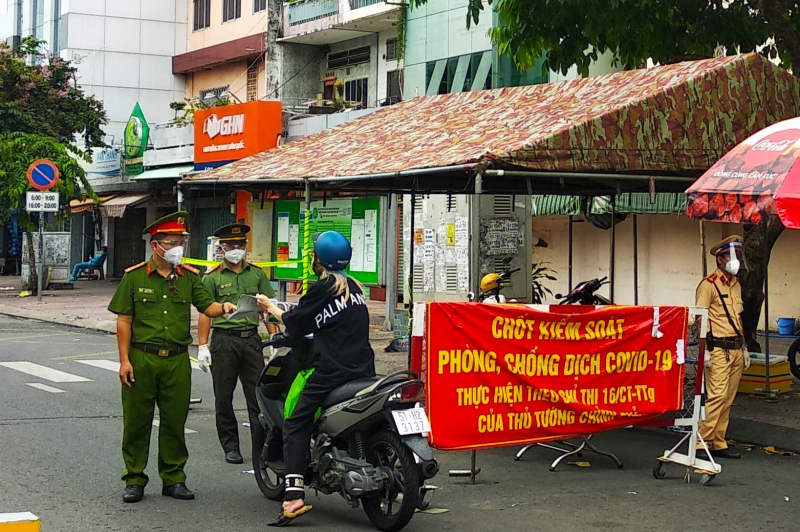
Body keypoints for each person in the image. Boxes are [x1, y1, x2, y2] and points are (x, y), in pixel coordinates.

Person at [107, 212, 237, 504]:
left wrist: (225, 307)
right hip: (142, 359)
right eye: (173, 242)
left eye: (181, 242)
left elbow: (208, 305)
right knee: (137, 422)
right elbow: (124, 321)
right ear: (156, 246)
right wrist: (124, 360)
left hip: (177, 361)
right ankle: (135, 478)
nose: (179, 247)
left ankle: (174, 478)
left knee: (174, 422)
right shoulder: (135, 277)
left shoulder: (189, 277)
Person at [256, 231, 375, 526]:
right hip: (363, 369)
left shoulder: (323, 287)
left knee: (296, 421)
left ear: (319, 259)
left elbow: (296, 323)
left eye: (313, 256)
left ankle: (293, 495)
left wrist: (271, 308)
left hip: (332, 372)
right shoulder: (355, 289)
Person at [196, 223, 275, 465]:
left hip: (251, 340)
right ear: (221, 248)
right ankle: (230, 446)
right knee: (223, 396)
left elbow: (267, 307)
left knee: (258, 397)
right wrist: (202, 346)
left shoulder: (257, 274)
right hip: (224, 341)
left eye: (240, 245)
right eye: (231, 246)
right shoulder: (212, 277)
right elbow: (204, 312)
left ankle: (261, 447)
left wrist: (274, 339)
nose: (236, 250)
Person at [695, 235, 751, 461]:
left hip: (736, 349)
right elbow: (700, 317)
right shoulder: (708, 285)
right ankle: (701, 443)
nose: (735, 260)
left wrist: (745, 347)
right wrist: (705, 349)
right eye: (731, 256)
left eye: (738, 255)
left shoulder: (736, 285)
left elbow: (737, 320)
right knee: (716, 396)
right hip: (718, 349)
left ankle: (719, 441)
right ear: (720, 259)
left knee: (728, 398)